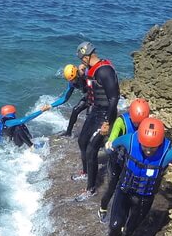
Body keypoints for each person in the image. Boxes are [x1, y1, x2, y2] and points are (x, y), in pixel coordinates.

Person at [73, 41, 120, 201]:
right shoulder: (91, 71)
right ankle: (86, 172)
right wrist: (80, 74)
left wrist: (107, 122)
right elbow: (85, 89)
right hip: (95, 111)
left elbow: (114, 98)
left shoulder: (104, 71)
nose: (81, 62)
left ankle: (91, 189)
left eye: (81, 60)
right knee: (82, 141)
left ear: (86, 57)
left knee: (92, 149)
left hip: (106, 113)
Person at [98, 99, 151, 220]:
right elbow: (112, 138)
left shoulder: (148, 122)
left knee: (132, 188)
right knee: (112, 186)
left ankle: (126, 213)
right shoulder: (121, 121)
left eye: (140, 123)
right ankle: (103, 206)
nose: (138, 126)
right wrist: (109, 146)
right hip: (118, 159)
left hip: (133, 160)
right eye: (136, 123)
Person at [51, 64, 90, 137]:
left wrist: (85, 66)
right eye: (71, 80)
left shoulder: (85, 73)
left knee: (89, 114)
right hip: (88, 97)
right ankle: (68, 132)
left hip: (98, 97)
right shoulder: (72, 83)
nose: (73, 82)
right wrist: (50, 106)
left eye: (74, 79)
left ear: (77, 73)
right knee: (75, 110)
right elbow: (65, 98)